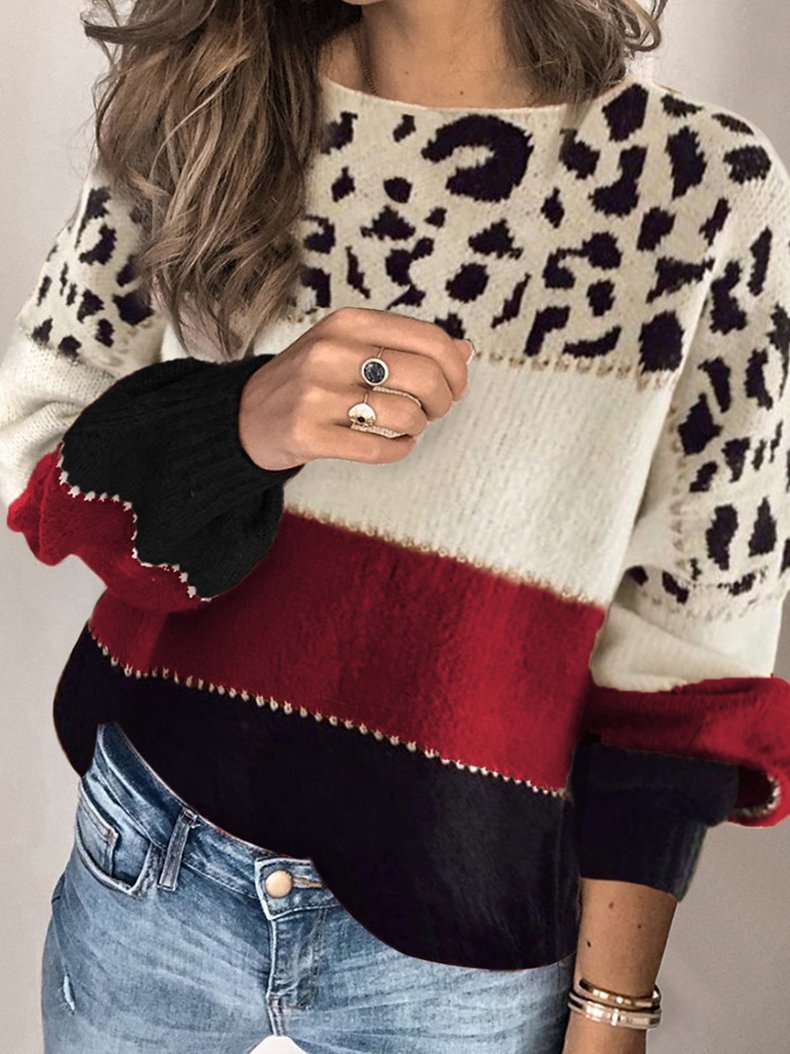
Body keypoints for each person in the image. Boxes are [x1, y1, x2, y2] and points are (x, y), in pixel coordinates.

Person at [2, 0, 790, 1051]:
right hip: (150, 867)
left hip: (464, 958)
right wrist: (239, 424)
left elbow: (690, 664)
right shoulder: (201, 108)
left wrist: (611, 1013)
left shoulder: (702, 190)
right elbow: (40, 461)